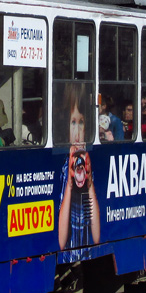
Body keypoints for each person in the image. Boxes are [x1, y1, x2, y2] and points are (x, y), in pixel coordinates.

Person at [57, 85, 100, 258]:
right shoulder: (65, 168)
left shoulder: (88, 166)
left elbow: (96, 237)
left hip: (87, 254)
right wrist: (69, 184)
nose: (77, 132)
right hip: (70, 255)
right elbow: (61, 242)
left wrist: (89, 184)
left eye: (81, 122)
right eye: (73, 123)